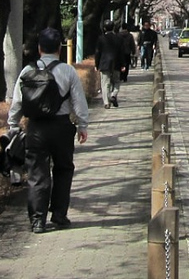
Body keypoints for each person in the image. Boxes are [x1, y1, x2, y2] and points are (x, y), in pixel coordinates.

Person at [8, 27, 89, 234]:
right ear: (59, 49)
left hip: (35, 128)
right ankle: (59, 215)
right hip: (62, 127)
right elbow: (79, 101)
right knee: (63, 169)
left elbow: (17, 101)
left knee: (37, 173)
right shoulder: (67, 71)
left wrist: (13, 124)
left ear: (39, 48)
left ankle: (37, 220)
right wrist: (82, 125)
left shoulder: (27, 71)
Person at [94, 19, 123, 108]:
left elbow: (97, 52)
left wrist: (97, 64)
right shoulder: (119, 38)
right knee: (117, 82)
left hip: (104, 63)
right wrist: (123, 64)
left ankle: (106, 102)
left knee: (105, 83)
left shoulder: (101, 38)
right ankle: (113, 95)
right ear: (113, 27)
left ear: (104, 28)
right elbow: (121, 52)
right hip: (117, 63)